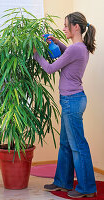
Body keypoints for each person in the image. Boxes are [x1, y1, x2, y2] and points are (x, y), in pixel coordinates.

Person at [33, 12, 97, 198]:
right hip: (72, 100)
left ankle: (87, 188)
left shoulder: (75, 49)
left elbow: (51, 67)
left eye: (65, 25)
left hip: (72, 101)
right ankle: (62, 182)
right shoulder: (78, 47)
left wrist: (37, 54)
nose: (63, 28)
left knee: (77, 145)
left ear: (75, 26)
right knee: (66, 144)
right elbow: (66, 52)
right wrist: (56, 41)